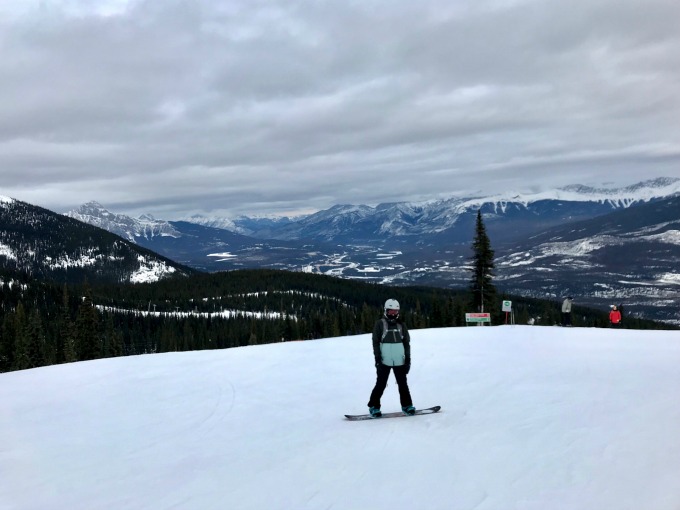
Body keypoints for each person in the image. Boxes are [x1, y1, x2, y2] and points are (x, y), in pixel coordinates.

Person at [367, 299, 415, 417]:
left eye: (395, 311)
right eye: (391, 311)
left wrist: (407, 360)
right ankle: (374, 407)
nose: (393, 313)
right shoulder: (380, 324)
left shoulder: (401, 325)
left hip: (399, 360)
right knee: (381, 384)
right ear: (386, 311)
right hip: (384, 360)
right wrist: (377, 359)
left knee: (403, 384)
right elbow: (375, 342)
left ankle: (407, 405)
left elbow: (406, 343)